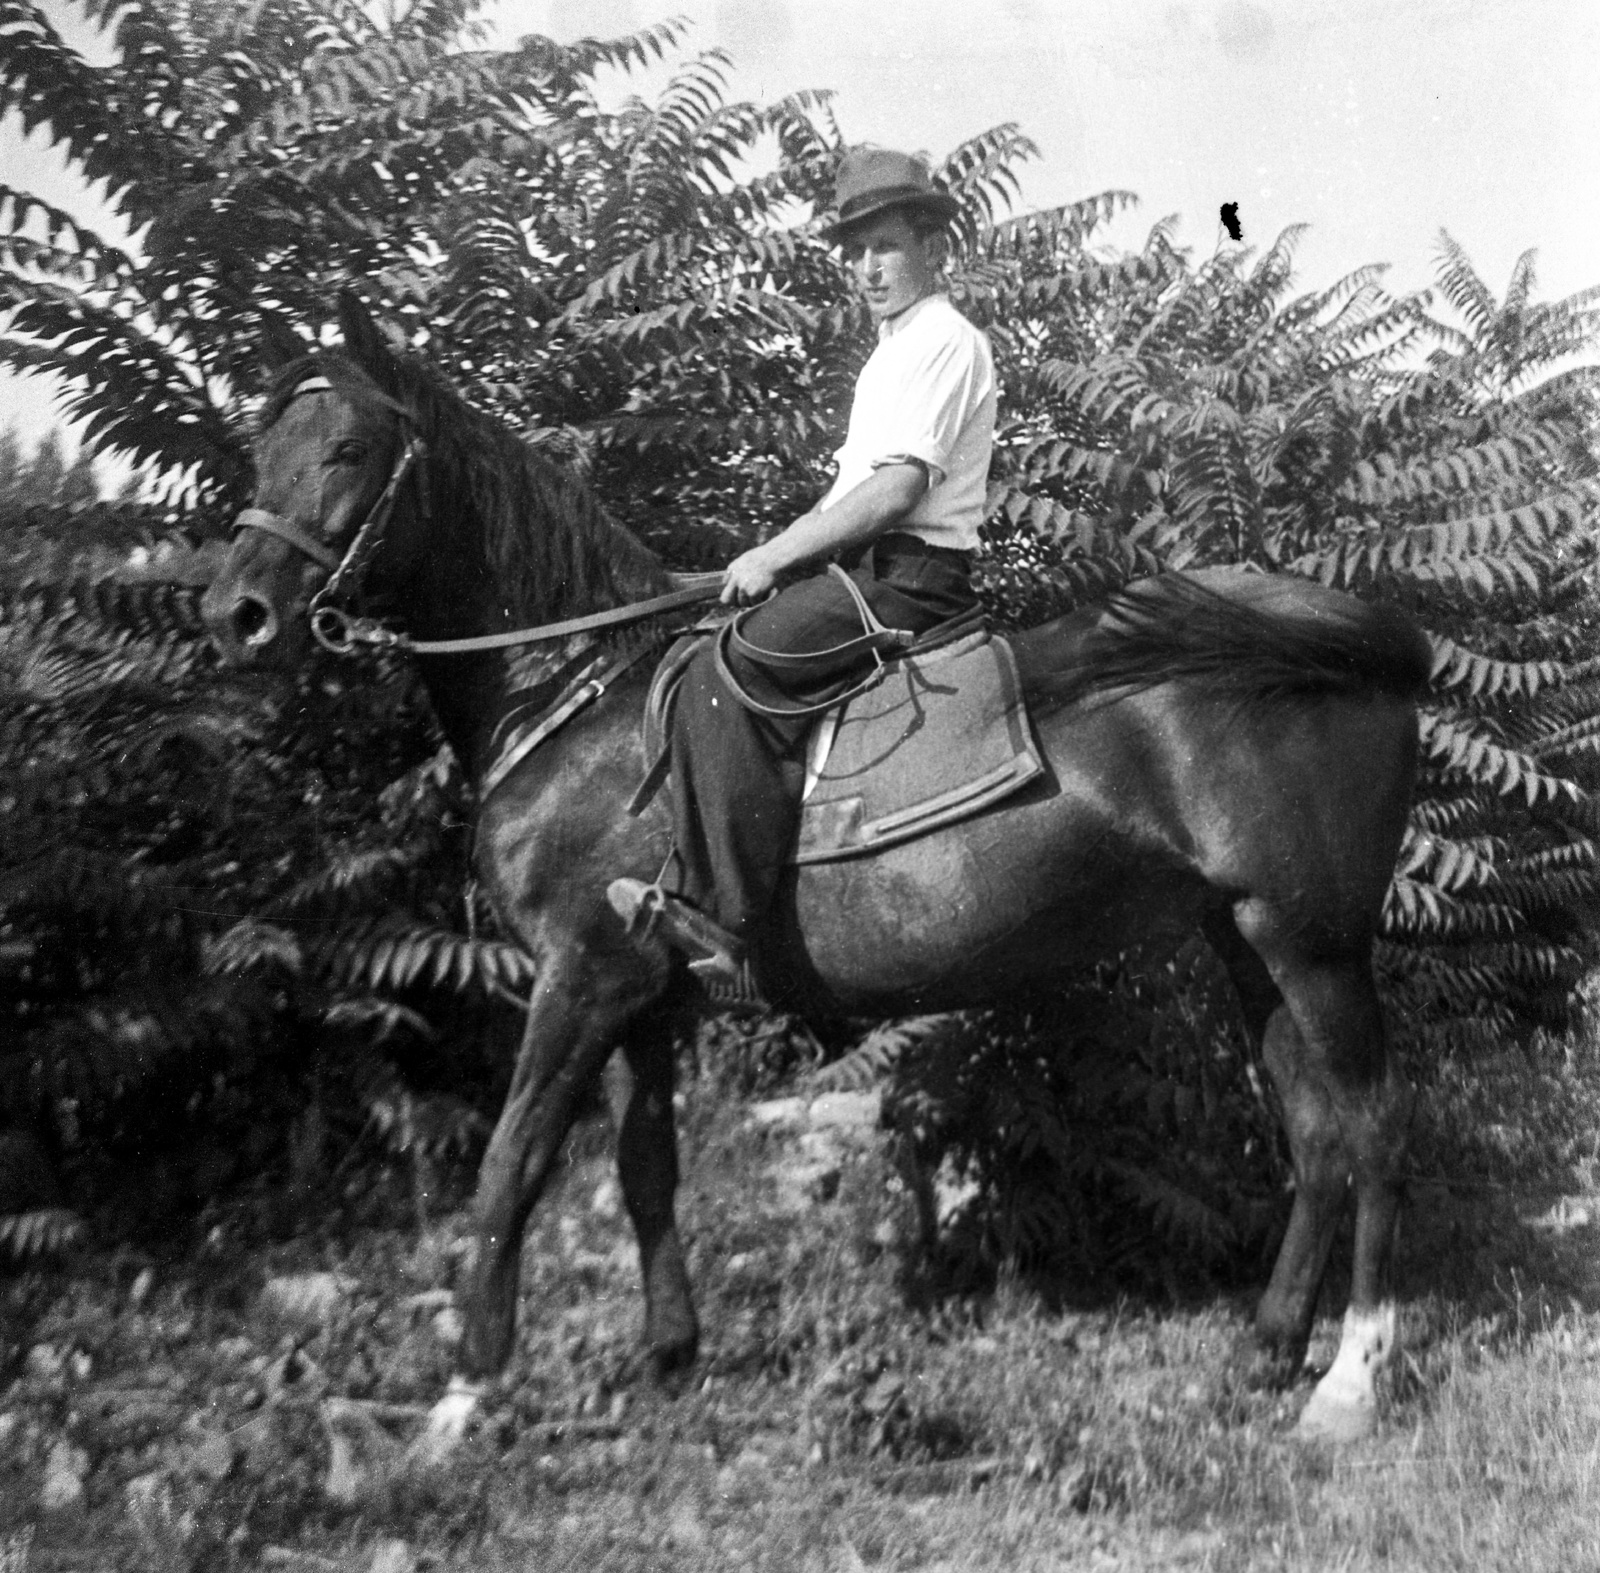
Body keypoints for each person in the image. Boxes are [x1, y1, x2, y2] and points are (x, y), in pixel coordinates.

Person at [608, 146, 997, 1001]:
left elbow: (896, 490)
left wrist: (779, 557)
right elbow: (843, 495)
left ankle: (726, 926)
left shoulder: (943, 341)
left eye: (885, 246)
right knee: (712, 635)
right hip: (868, 572)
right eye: (854, 252)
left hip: (910, 581)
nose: (867, 269)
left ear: (931, 242)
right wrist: (755, 561)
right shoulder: (892, 353)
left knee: (728, 670)